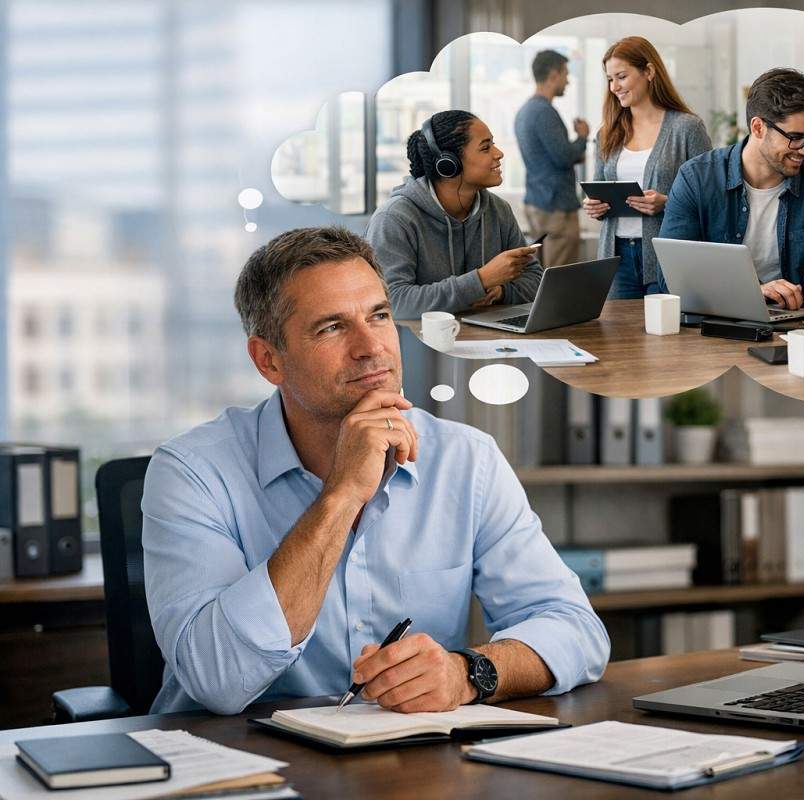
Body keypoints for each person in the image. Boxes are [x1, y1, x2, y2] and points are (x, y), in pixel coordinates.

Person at [142, 227, 609, 715]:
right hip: (237, 764)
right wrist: (341, 496)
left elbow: (575, 628)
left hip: (403, 765)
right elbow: (217, 680)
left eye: (379, 316)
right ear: (269, 360)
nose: (371, 347)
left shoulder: (466, 459)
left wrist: (468, 673)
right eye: (331, 327)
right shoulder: (192, 472)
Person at [658, 68, 804, 309]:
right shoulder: (697, 178)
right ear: (758, 128)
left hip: (796, 329)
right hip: (715, 324)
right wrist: (753, 292)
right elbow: (670, 279)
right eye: (796, 137)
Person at [365, 110, 543, 319]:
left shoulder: (499, 210)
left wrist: (501, 292)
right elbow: (393, 301)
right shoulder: (394, 219)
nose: (498, 153)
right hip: (423, 345)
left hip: (488, 339)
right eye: (485, 147)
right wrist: (481, 280)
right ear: (449, 163)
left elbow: (535, 278)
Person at [584, 36, 711, 298]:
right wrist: (594, 207)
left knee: (666, 335)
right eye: (610, 79)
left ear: (649, 71)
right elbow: (598, 189)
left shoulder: (687, 128)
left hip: (667, 256)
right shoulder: (606, 133)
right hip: (615, 256)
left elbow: (711, 197)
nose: (614, 87)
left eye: (621, 76)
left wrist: (667, 203)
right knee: (617, 336)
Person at [514, 50, 589, 267]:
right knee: (560, 276)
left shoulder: (525, 111)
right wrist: (582, 137)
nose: (568, 81)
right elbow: (563, 156)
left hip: (537, 201)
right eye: (566, 74)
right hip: (555, 206)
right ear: (554, 74)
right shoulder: (544, 112)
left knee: (541, 272)